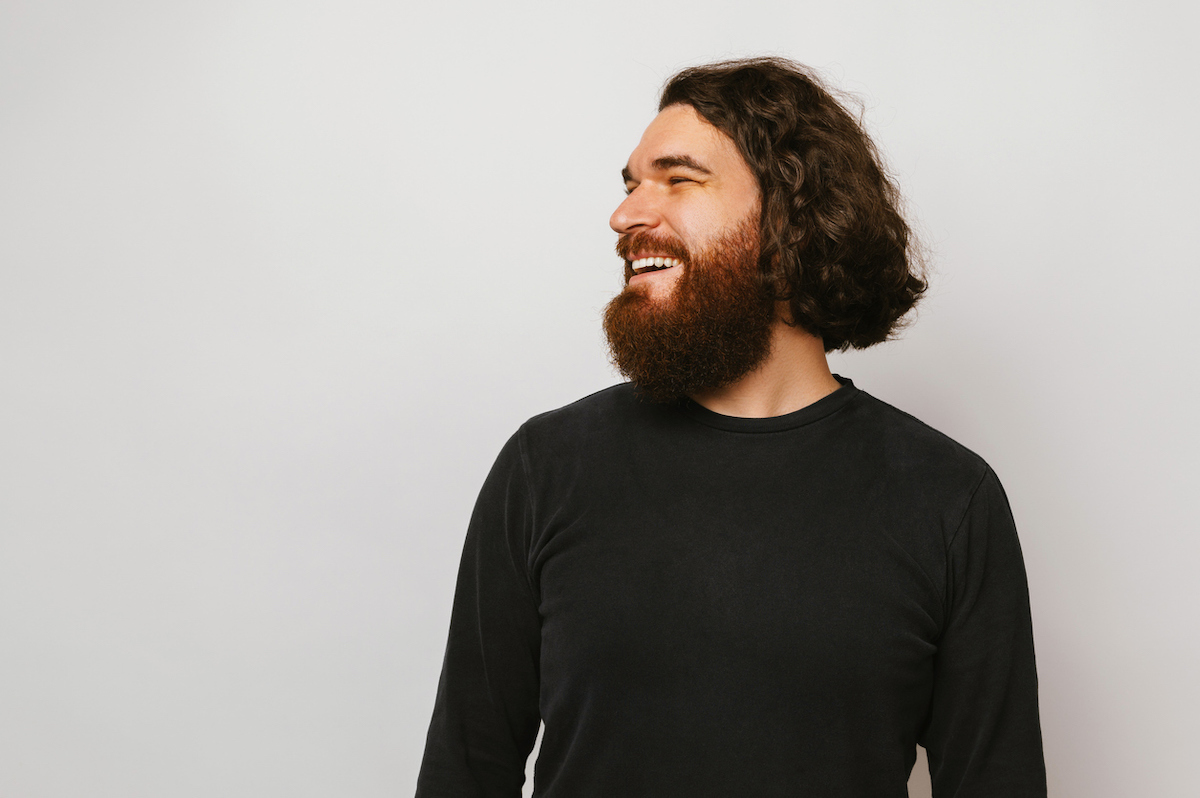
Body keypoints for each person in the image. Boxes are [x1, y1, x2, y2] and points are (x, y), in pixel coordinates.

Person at [415, 57, 1046, 797]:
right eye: (630, 184)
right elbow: (466, 772)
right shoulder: (546, 467)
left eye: (679, 179)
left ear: (790, 218)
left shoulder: (948, 500)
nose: (625, 216)